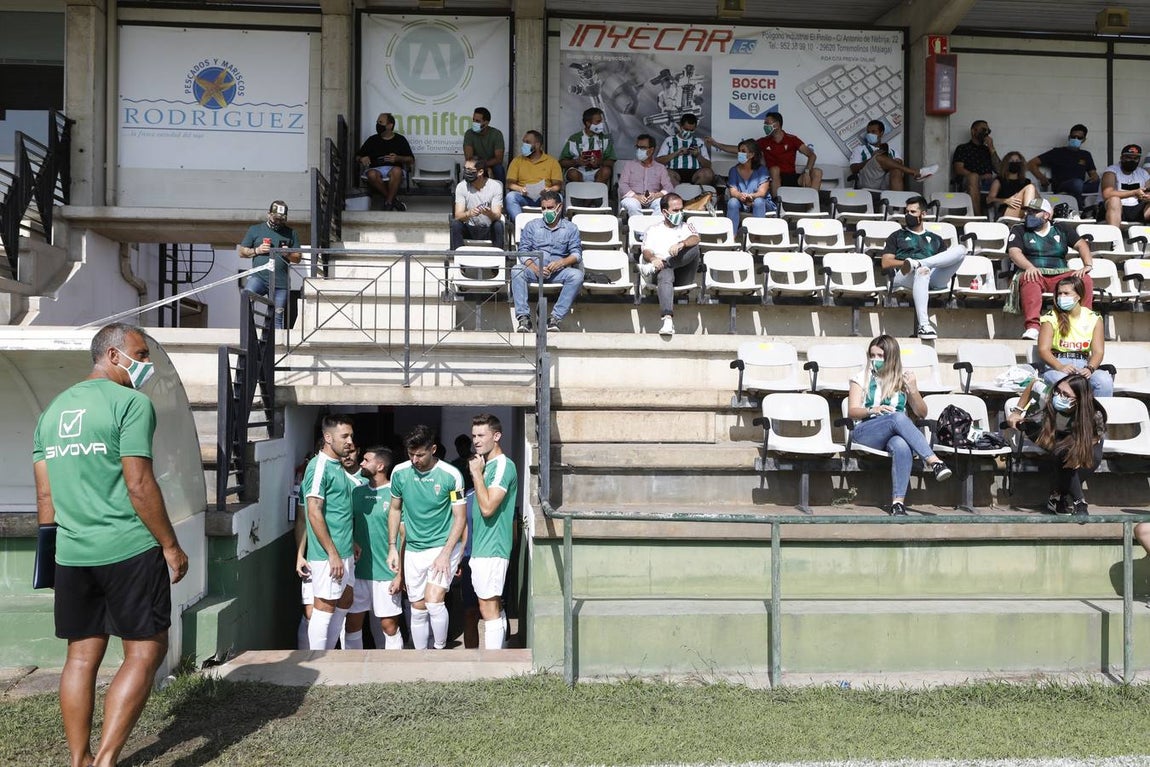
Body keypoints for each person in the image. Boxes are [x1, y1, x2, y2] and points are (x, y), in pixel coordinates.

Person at [33, 322, 189, 767]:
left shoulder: (52, 413)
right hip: (129, 547)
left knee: (81, 656)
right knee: (146, 649)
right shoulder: (131, 404)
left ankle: (79, 760)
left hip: (72, 553)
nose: (146, 364)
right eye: (140, 355)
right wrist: (170, 545)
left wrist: (53, 559)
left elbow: (46, 496)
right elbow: (139, 483)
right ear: (112, 354)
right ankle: (104, 761)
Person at [846, 334, 953, 516]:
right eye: (872, 355)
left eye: (880, 356)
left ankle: (898, 504)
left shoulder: (902, 380)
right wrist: (873, 410)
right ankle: (934, 462)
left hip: (893, 433)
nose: (875, 360)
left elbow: (921, 412)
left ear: (891, 357)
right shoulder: (861, 377)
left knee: (902, 445)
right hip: (866, 431)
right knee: (897, 417)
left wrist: (913, 389)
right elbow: (852, 411)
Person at [387, 425, 467, 650]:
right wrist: (393, 546)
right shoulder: (399, 473)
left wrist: (446, 553)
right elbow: (394, 509)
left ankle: (440, 649)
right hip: (413, 548)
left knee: (433, 601)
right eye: (410, 454)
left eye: (420, 454)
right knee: (418, 607)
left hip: (443, 546)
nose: (414, 459)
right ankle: (420, 657)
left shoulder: (452, 475)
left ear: (433, 449)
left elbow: (460, 518)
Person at [300, 414, 362, 650]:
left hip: (345, 550)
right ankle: (318, 661)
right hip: (328, 555)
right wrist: (332, 553)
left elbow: (339, 511)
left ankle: (330, 656)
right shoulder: (318, 467)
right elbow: (314, 512)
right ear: (328, 437)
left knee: (345, 600)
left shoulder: (338, 466)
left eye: (351, 436)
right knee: (324, 608)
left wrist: (351, 541)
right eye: (344, 436)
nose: (349, 441)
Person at [1006, 374, 1106, 517]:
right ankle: (1079, 502)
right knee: (1063, 451)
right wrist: (1017, 411)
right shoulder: (1047, 394)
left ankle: (1058, 495)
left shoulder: (1094, 414)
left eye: (1066, 394)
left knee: (1093, 456)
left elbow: (1095, 438)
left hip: (1076, 436)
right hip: (1044, 429)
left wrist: (1079, 453)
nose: (1059, 396)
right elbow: (1033, 383)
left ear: (1079, 400)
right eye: (1058, 391)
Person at [1005, 197, 1094, 340]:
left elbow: (1081, 244)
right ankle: (1033, 328)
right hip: (1035, 271)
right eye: (1028, 211)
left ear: (1046, 215)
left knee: (1085, 280)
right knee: (1030, 278)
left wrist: (1087, 265)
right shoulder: (1019, 229)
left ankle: (1083, 323)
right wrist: (1029, 267)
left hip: (1061, 274)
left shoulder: (1061, 228)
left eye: (1034, 212)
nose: (1029, 215)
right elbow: (1014, 252)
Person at [880, 195, 967, 340]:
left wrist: (920, 263)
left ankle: (921, 263)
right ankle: (924, 326)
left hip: (931, 276)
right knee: (921, 271)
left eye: (913, 212)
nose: (908, 215)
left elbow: (944, 261)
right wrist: (907, 263)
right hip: (903, 277)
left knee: (961, 249)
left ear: (923, 214)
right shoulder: (897, 236)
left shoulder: (935, 239)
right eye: (906, 212)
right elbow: (886, 263)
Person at [345, 446, 405, 651]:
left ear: (380, 466)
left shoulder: (395, 493)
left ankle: (392, 673)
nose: (361, 462)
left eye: (366, 459)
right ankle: (352, 675)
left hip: (387, 573)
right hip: (358, 572)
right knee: (352, 625)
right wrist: (352, 540)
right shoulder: (356, 492)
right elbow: (346, 524)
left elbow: (404, 536)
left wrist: (400, 575)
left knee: (388, 626)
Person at [467, 413, 519, 650]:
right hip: (482, 547)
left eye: (481, 435)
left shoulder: (502, 466)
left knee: (489, 608)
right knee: (487, 605)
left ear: (496, 436)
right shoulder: (488, 465)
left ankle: (494, 665)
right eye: (474, 435)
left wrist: (476, 474)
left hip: (493, 548)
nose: (476, 440)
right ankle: (498, 658)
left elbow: (488, 508)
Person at [511, 190, 583, 333]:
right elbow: (523, 252)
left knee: (577, 276)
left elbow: (576, 254)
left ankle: (555, 318)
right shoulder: (532, 226)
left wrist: (562, 263)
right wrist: (535, 268)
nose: (546, 211)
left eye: (550, 208)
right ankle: (524, 319)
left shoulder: (570, 228)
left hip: (558, 271)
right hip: (534, 270)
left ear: (559, 207)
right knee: (516, 270)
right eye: (543, 208)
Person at [711, 112, 821, 197]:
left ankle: (810, 206)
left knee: (817, 172)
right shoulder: (763, 142)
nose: (764, 126)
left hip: (792, 177)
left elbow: (812, 155)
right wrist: (717, 144)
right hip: (773, 177)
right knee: (774, 169)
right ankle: (777, 205)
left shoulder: (792, 139)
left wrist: (807, 172)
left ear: (776, 125)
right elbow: (741, 149)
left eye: (767, 123)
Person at [1037, 275, 1113, 397]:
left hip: (1083, 364)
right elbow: (1043, 350)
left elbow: (1098, 352)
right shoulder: (1050, 317)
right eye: (1059, 293)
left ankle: (1099, 415)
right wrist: (1060, 366)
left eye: (1066, 293)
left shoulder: (1093, 318)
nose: (1062, 297)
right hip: (1057, 364)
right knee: (1061, 381)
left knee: (1104, 380)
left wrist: (1090, 369)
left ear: (1079, 295)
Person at [640, 192, 700, 338]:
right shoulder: (653, 229)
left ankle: (665, 264)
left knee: (695, 248)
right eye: (675, 210)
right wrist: (653, 259)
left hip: (683, 273)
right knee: (665, 271)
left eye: (681, 209)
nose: (680, 213)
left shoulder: (687, 226)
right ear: (664, 212)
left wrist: (682, 244)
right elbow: (646, 250)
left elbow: (696, 238)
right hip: (661, 273)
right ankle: (667, 320)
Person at [239, 200, 302, 329]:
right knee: (247, 297)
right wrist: (257, 250)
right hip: (259, 278)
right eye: (275, 218)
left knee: (277, 318)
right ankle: (248, 334)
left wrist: (288, 254)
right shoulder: (255, 229)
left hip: (280, 283)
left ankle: (275, 347)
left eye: (281, 219)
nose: (278, 222)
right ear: (268, 214)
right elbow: (241, 252)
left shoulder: (291, 233)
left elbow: (298, 258)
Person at [1027, 124, 1099, 206]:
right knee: (1077, 183)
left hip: (1081, 187)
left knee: (1102, 185)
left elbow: (1093, 174)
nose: (1076, 139)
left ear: (1083, 140)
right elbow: (1031, 163)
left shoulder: (1086, 155)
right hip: (1061, 186)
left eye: (1079, 138)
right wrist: (1042, 178)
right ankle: (1079, 208)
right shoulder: (1057, 152)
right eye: (1073, 136)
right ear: (1069, 137)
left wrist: (1094, 178)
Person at [355, 112, 414, 211]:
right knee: (372, 174)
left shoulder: (400, 140)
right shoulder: (372, 140)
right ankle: (392, 201)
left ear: (390, 125)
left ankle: (388, 203)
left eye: (381, 122)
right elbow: (357, 157)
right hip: (375, 168)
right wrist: (362, 159)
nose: (378, 125)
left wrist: (398, 158)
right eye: (377, 122)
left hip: (393, 169)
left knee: (397, 171)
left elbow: (411, 159)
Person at [504, 130, 562, 224]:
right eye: (523, 142)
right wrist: (521, 189)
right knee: (510, 197)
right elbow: (509, 183)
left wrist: (549, 189)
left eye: (527, 142)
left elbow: (558, 185)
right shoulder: (517, 161)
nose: (524, 145)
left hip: (544, 197)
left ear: (538, 145)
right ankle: (522, 226)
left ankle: (551, 227)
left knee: (558, 197)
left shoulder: (552, 162)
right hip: (524, 196)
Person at [849, 119, 918, 191]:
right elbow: (853, 169)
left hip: (886, 182)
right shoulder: (859, 149)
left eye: (873, 132)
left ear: (881, 133)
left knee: (897, 169)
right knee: (878, 158)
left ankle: (897, 201)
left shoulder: (892, 151)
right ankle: (912, 171)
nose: (870, 134)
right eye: (868, 132)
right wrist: (871, 159)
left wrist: (897, 162)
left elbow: (899, 163)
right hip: (868, 181)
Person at [450, 159, 505, 250]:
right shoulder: (461, 186)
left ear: (480, 172)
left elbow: (497, 215)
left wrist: (489, 213)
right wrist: (469, 213)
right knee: (456, 225)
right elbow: (458, 215)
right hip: (469, 228)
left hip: (488, 228)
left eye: (469, 170)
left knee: (498, 225)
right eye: (465, 169)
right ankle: (458, 257)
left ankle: (498, 257)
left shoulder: (495, 186)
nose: (466, 172)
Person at [618, 132, 674, 218]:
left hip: (653, 198)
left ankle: (651, 228)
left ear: (651, 150)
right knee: (632, 205)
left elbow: (669, 188)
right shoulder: (629, 165)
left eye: (643, 148)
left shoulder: (660, 168)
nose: (639, 150)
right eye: (637, 147)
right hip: (633, 198)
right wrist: (636, 196)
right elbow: (622, 185)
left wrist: (656, 195)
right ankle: (640, 231)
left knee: (662, 204)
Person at [951, 119, 1000, 215]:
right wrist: (979, 177)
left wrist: (991, 148)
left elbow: (999, 170)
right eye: (983, 130)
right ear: (973, 131)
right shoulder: (962, 148)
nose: (986, 133)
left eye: (988, 131)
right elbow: (958, 169)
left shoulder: (987, 150)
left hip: (989, 184)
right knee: (974, 177)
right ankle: (978, 218)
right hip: (969, 181)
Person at [724, 139, 775, 231]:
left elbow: (762, 192)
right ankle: (731, 237)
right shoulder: (733, 170)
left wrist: (750, 197)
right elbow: (733, 191)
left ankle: (756, 237)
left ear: (751, 155)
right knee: (732, 202)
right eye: (739, 151)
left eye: (743, 151)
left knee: (758, 201)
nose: (740, 153)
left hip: (762, 203)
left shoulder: (762, 170)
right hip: (742, 201)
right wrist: (740, 196)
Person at [655, 113, 714, 187]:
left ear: (695, 128)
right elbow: (658, 161)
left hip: (695, 173)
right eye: (686, 129)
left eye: (691, 130)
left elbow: (708, 166)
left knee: (708, 173)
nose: (688, 132)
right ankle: (678, 195)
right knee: (666, 173)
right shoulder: (669, 140)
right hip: (675, 172)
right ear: (680, 126)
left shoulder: (699, 142)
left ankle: (695, 195)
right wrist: (676, 152)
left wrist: (698, 156)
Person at [559, 107, 616, 184]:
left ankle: (596, 194)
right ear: (588, 123)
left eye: (601, 121)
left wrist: (599, 162)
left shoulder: (605, 139)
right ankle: (581, 195)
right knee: (572, 173)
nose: (601, 125)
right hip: (579, 171)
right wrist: (576, 162)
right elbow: (562, 162)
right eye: (598, 122)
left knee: (606, 171)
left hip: (597, 171)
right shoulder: (574, 138)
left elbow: (611, 162)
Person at [1100, 144, 1150, 226]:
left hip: (1136, 208)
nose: (1132, 160)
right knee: (1114, 200)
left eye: (1135, 158)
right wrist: (1134, 193)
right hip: (1113, 208)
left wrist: (1147, 197)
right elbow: (1107, 194)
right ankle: (1114, 237)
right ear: (1122, 158)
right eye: (1129, 157)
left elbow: (1148, 190)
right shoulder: (1111, 171)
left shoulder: (1143, 173)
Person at [986, 151, 1037, 219]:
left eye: (1017, 161)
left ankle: (1029, 217)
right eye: (1011, 161)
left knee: (1046, 210)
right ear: (1006, 164)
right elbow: (989, 199)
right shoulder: (999, 180)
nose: (1014, 163)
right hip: (1006, 212)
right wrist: (1006, 200)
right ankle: (1029, 218)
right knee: (1030, 187)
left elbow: (1038, 199)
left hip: (1022, 212)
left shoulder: (1026, 182)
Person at [463, 107, 506, 184]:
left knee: (499, 169)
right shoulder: (469, 134)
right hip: (475, 165)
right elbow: (469, 158)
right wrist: (482, 167)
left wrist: (486, 166)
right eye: (473, 120)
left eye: (477, 121)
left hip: (492, 165)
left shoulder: (496, 134)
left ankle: (501, 194)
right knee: (468, 169)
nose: (474, 123)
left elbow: (499, 159)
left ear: (486, 123)